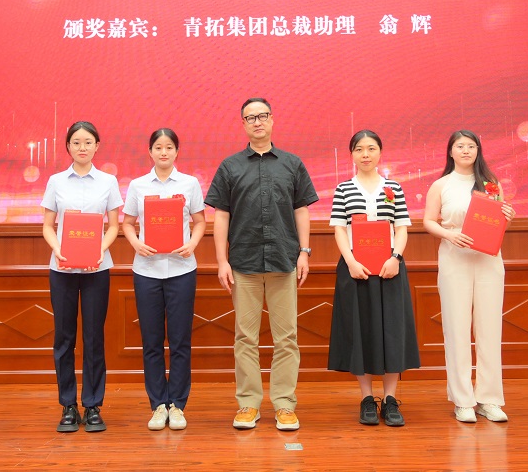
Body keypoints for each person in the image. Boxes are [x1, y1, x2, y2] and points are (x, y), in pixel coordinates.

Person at [205, 98, 319, 431]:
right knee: (245, 337)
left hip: (284, 259)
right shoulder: (230, 166)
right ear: (243, 124)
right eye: (250, 117)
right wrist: (221, 260)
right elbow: (221, 216)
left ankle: (284, 404)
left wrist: (304, 252)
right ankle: (248, 404)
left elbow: (301, 210)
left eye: (262, 116)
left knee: (287, 338)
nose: (257, 122)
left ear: (272, 120)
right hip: (243, 263)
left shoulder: (292, 164)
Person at [327, 130, 420, 427]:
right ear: (352, 154)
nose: (365, 154)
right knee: (361, 331)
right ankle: (367, 398)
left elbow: (401, 227)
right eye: (359, 149)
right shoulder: (344, 188)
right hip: (356, 269)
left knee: (391, 331)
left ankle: (390, 399)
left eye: (371, 148)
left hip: (390, 268)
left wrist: (396, 258)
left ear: (380, 152)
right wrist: (351, 262)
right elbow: (339, 228)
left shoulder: (394, 187)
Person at [423, 130, 516, 424]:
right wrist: (449, 235)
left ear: (478, 151)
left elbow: (497, 221)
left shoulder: (491, 184)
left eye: (471, 146)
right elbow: (428, 221)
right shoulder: (441, 185)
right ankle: (462, 400)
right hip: (455, 258)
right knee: (457, 329)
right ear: (450, 151)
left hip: (489, 259)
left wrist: (508, 216)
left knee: (490, 329)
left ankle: (489, 399)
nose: (466, 151)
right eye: (460, 146)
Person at [122, 128, 207, 431]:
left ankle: (178, 405)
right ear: (150, 152)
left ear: (176, 151)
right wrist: (136, 243)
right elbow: (128, 223)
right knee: (152, 341)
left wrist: (192, 243)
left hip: (182, 270)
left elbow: (200, 221)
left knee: (181, 341)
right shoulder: (138, 185)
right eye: (158, 147)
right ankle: (158, 404)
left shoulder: (189, 183)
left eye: (169, 147)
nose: (163, 152)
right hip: (147, 271)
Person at [42, 121, 122, 433]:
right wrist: (58, 249)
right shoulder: (56, 181)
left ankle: (93, 405)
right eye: (76, 142)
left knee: (93, 337)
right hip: (62, 268)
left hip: (96, 269)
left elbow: (113, 226)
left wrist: (99, 250)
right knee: (64, 338)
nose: (82, 147)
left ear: (97, 145)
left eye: (88, 142)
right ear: (68, 147)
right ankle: (67, 405)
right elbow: (48, 226)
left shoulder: (108, 181)